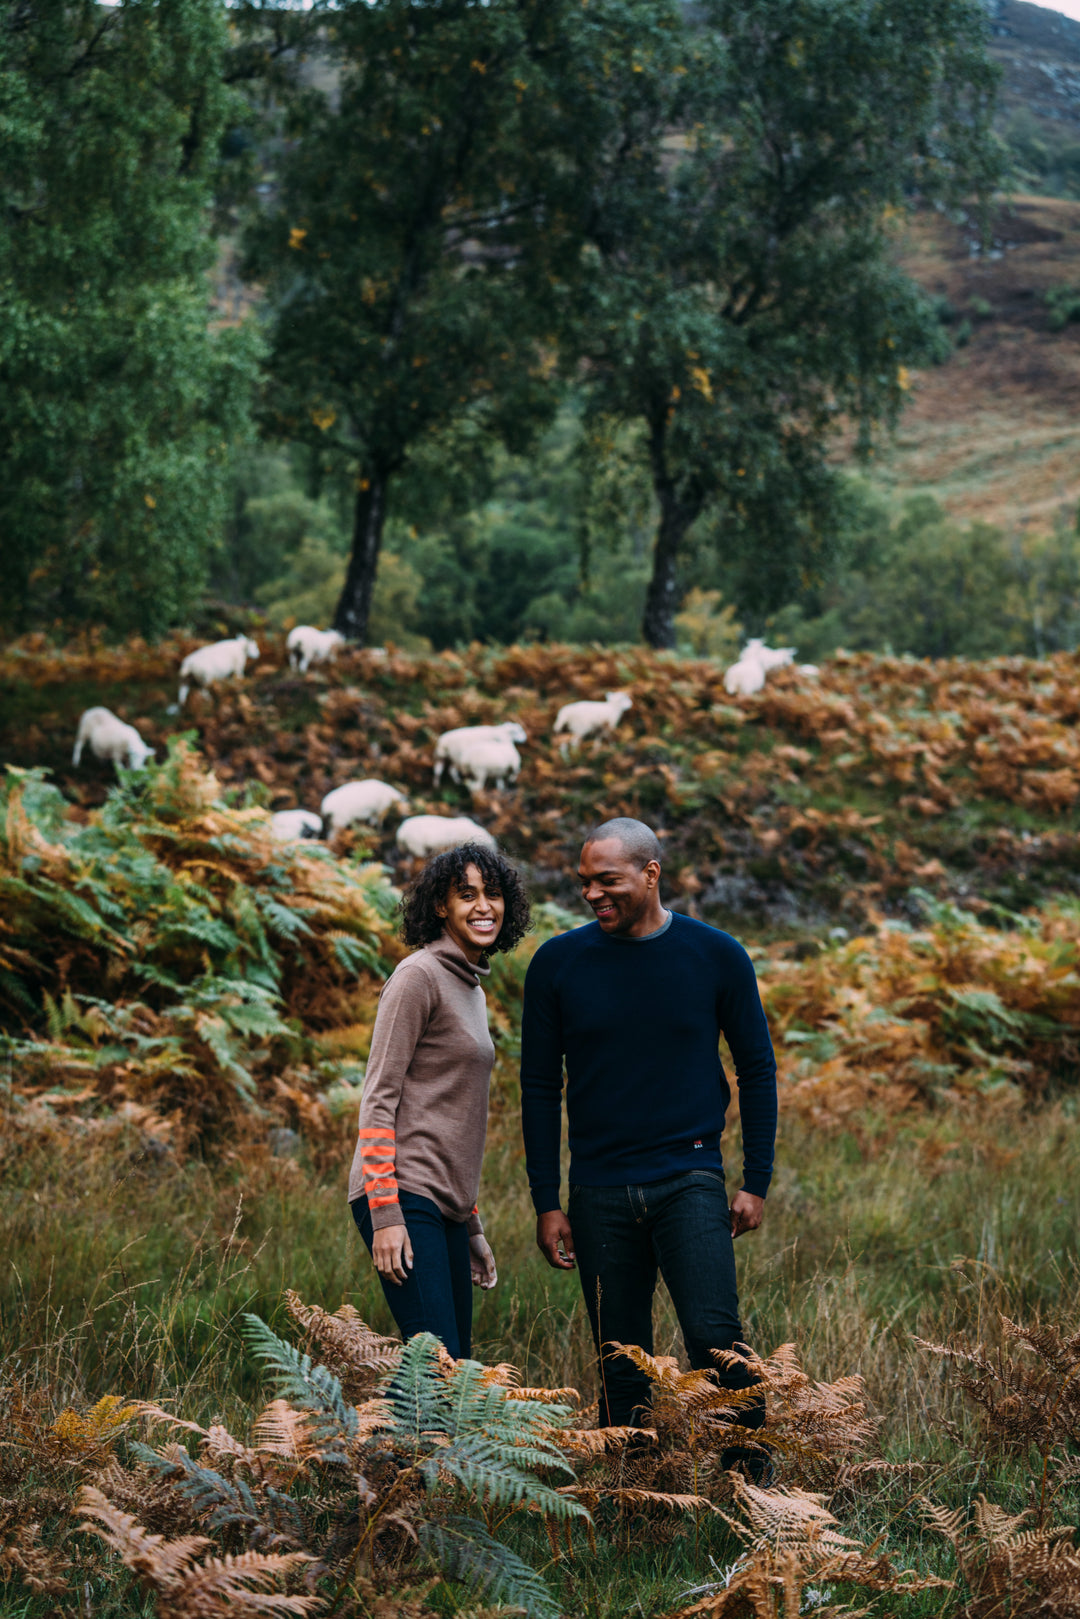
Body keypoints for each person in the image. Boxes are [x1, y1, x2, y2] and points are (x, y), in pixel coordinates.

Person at [520, 817, 777, 1467]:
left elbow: (756, 1066)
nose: (592, 894)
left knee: (716, 1339)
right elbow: (539, 1086)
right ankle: (637, 1502)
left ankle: (757, 1489)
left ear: (650, 873)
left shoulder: (715, 954)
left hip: (688, 1173)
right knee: (620, 1357)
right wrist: (548, 1201)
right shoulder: (558, 963)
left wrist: (755, 1180)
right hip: (599, 1186)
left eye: (607, 880)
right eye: (583, 882)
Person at [349, 842, 531, 1359]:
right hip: (403, 1191)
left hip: (444, 1204)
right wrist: (386, 1215)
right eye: (466, 895)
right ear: (440, 907)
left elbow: (451, 1118)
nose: (483, 907)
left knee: (456, 1369)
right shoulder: (417, 977)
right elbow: (378, 1099)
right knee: (437, 1367)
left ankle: (401, 1442)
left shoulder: (470, 986)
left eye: (492, 895)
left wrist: (470, 1223)